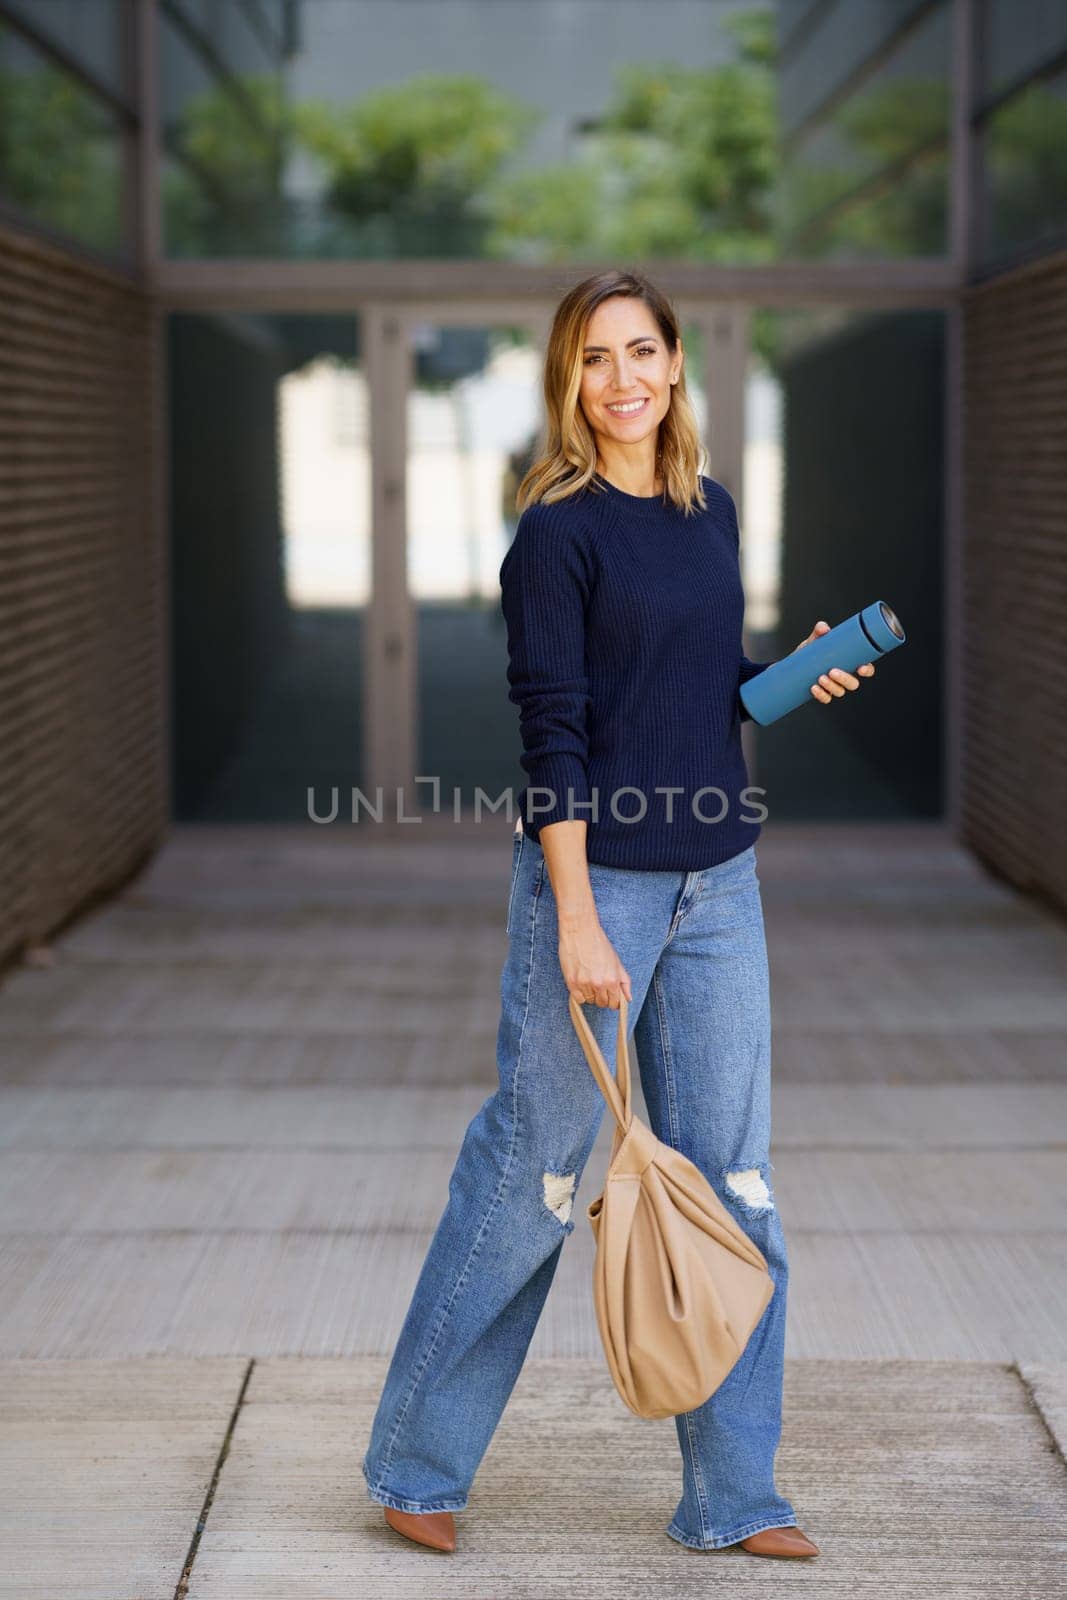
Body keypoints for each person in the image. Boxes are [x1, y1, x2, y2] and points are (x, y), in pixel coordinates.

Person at [361, 268, 875, 1559]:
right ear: (567, 383)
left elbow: (702, 692)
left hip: (722, 885)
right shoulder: (557, 534)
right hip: (602, 886)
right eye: (596, 360)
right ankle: (415, 1468)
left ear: (679, 363)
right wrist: (580, 915)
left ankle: (734, 1496)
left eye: (643, 352)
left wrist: (792, 683)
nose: (625, 380)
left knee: (734, 1188)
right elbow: (561, 735)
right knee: (535, 1172)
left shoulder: (708, 514)